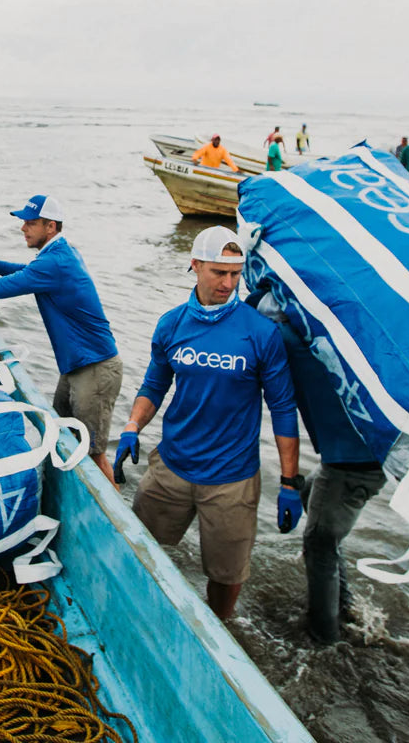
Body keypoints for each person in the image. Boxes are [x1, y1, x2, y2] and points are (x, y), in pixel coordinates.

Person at [111, 226, 302, 621]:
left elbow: (283, 408)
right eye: (219, 272)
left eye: (235, 274)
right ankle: (140, 615)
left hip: (232, 479)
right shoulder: (172, 324)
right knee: (142, 549)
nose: (228, 283)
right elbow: (155, 384)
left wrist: (289, 483)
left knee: (226, 573)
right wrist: (132, 426)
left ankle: (222, 629)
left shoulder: (261, 333)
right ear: (195, 266)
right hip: (171, 468)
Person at [0, 194, 123, 486]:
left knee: (93, 454)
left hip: (95, 370)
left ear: (50, 226)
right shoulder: (60, 254)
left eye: (30, 223)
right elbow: (25, 272)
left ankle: (118, 522)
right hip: (78, 367)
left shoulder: (53, 264)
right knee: (63, 435)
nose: (23, 228)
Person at [248, 286, 386, 645]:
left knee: (319, 541)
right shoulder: (325, 334)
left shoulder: (289, 337)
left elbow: (254, 318)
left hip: (354, 464)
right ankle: (346, 607)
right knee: (318, 508)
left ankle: (323, 638)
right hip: (357, 459)